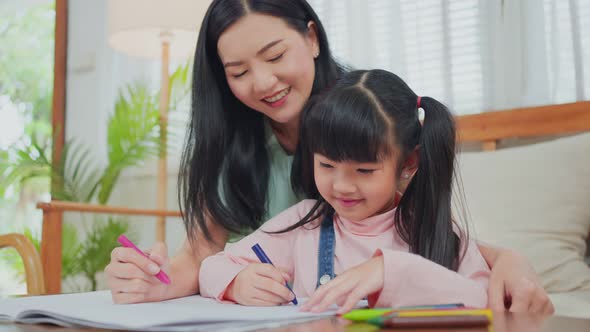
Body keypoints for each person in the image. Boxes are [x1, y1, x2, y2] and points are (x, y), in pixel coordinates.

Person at [104, 0, 553, 314]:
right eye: (238, 72)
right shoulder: (241, 151)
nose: (261, 83)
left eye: (275, 55)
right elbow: (203, 258)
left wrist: (510, 259)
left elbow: (436, 238)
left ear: (312, 38)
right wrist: (151, 279)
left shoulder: (372, 109)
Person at [200, 69, 490, 314]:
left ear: (408, 163)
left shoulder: (433, 229)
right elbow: (212, 267)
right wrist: (238, 282)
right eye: (326, 165)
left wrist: (392, 271)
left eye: (364, 171)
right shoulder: (304, 225)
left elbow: (484, 299)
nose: (341, 186)